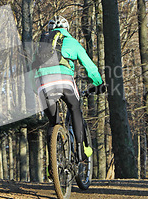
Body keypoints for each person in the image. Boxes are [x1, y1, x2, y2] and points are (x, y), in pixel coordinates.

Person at [33, 15, 105, 164]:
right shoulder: (72, 42)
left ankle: (52, 166)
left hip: (43, 84)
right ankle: (80, 150)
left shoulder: (41, 45)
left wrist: (36, 89)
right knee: (75, 108)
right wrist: (98, 83)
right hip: (64, 81)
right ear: (66, 29)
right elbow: (90, 67)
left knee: (53, 124)